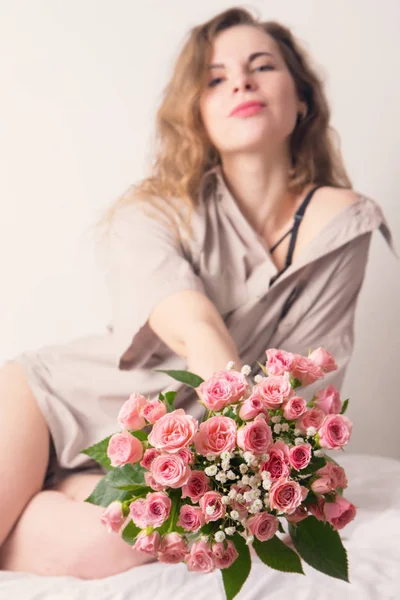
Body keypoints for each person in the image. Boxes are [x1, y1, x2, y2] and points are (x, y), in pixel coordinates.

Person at [0, 6, 395, 581]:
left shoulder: (343, 223)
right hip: (55, 403)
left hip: (178, 461)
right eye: (215, 78)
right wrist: (238, 419)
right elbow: (194, 325)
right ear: (198, 114)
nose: (241, 81)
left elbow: (307, 390)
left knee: (105, 547)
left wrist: (216, 479)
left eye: (263, 66)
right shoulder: (152, 211)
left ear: (301, 99)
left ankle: (57, 487)